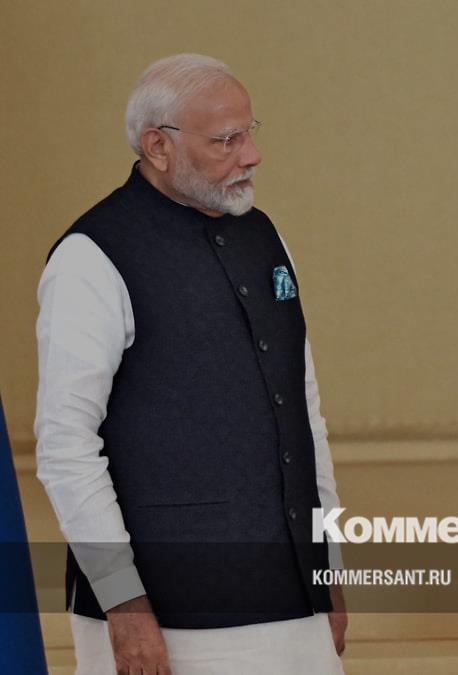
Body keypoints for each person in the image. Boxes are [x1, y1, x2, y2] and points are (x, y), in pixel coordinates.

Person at [35, 53, 346, 674]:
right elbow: (65, 443)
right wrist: (123, 602)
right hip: (163, 612)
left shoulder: (264, 236)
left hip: (292, 595)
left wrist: (327, 564)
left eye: (249, 133)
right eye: (226, 140)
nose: (251, 155)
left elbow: (303, 411)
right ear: (158, 146)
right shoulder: (91, 256)